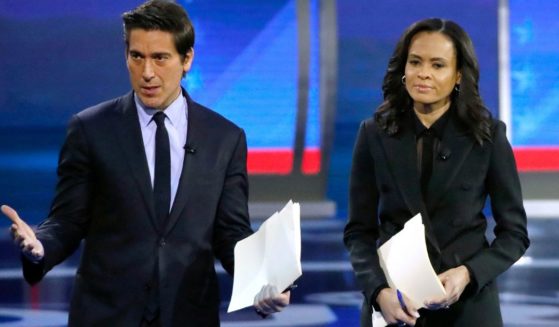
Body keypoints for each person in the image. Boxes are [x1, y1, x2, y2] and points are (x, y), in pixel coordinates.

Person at [1, 1, 290, 326]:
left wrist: (264, 281)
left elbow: (230, 233)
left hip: (188, 315)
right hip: (107, 316)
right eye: (137, 56)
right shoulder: (90, 129)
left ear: (187, 59)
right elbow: (68, 219)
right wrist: (40, 244)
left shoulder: (225, 138)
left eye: (160, 58)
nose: (147, 72)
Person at [343, 18, 529, 327]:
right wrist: (378, 292)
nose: (423, 73)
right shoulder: (374, 134)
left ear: (458, 76)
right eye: (415, 62)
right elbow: (358, 232)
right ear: (403, 68)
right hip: (395, 306)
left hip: (468, 308)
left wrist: (468, 274)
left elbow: (515, 235)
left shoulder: (487, 136)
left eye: (438, 65)